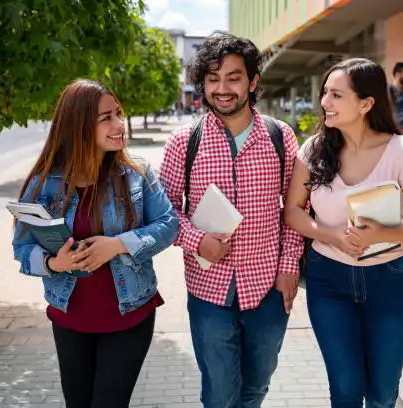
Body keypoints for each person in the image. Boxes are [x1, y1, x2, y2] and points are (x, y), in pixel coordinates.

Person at [284, 58, 403, 408]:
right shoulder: (312, 150)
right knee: (344, 389)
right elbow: (292, 211)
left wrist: (382, 234)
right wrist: (330, 235)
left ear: (366, 103)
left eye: (336, 95)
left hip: (392, 282)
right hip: (329, 282)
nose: (325, 102)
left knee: (383, 392)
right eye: (325, 92)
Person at [11, 79, 179, 408]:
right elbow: (22, 249)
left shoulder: (138, 174)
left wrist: (117, 245)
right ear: (79, 125)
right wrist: (53, 264)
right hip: (70, 315)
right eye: (107, 118)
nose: (119, 124)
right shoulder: (43, 183)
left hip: (130, 312)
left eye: (119, 114)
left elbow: (168, 225)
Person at [159, 32, 304, 408]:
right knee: (220, 394)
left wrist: (289, 267)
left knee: (255, 388)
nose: (222, 88)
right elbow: (164, 210)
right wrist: (195, 240)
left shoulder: (280, 137)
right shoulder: (183, 142)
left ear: (252, 82)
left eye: (233, 77)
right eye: (212, 78)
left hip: (269, 288)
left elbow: (295, 208)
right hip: (209, 290)